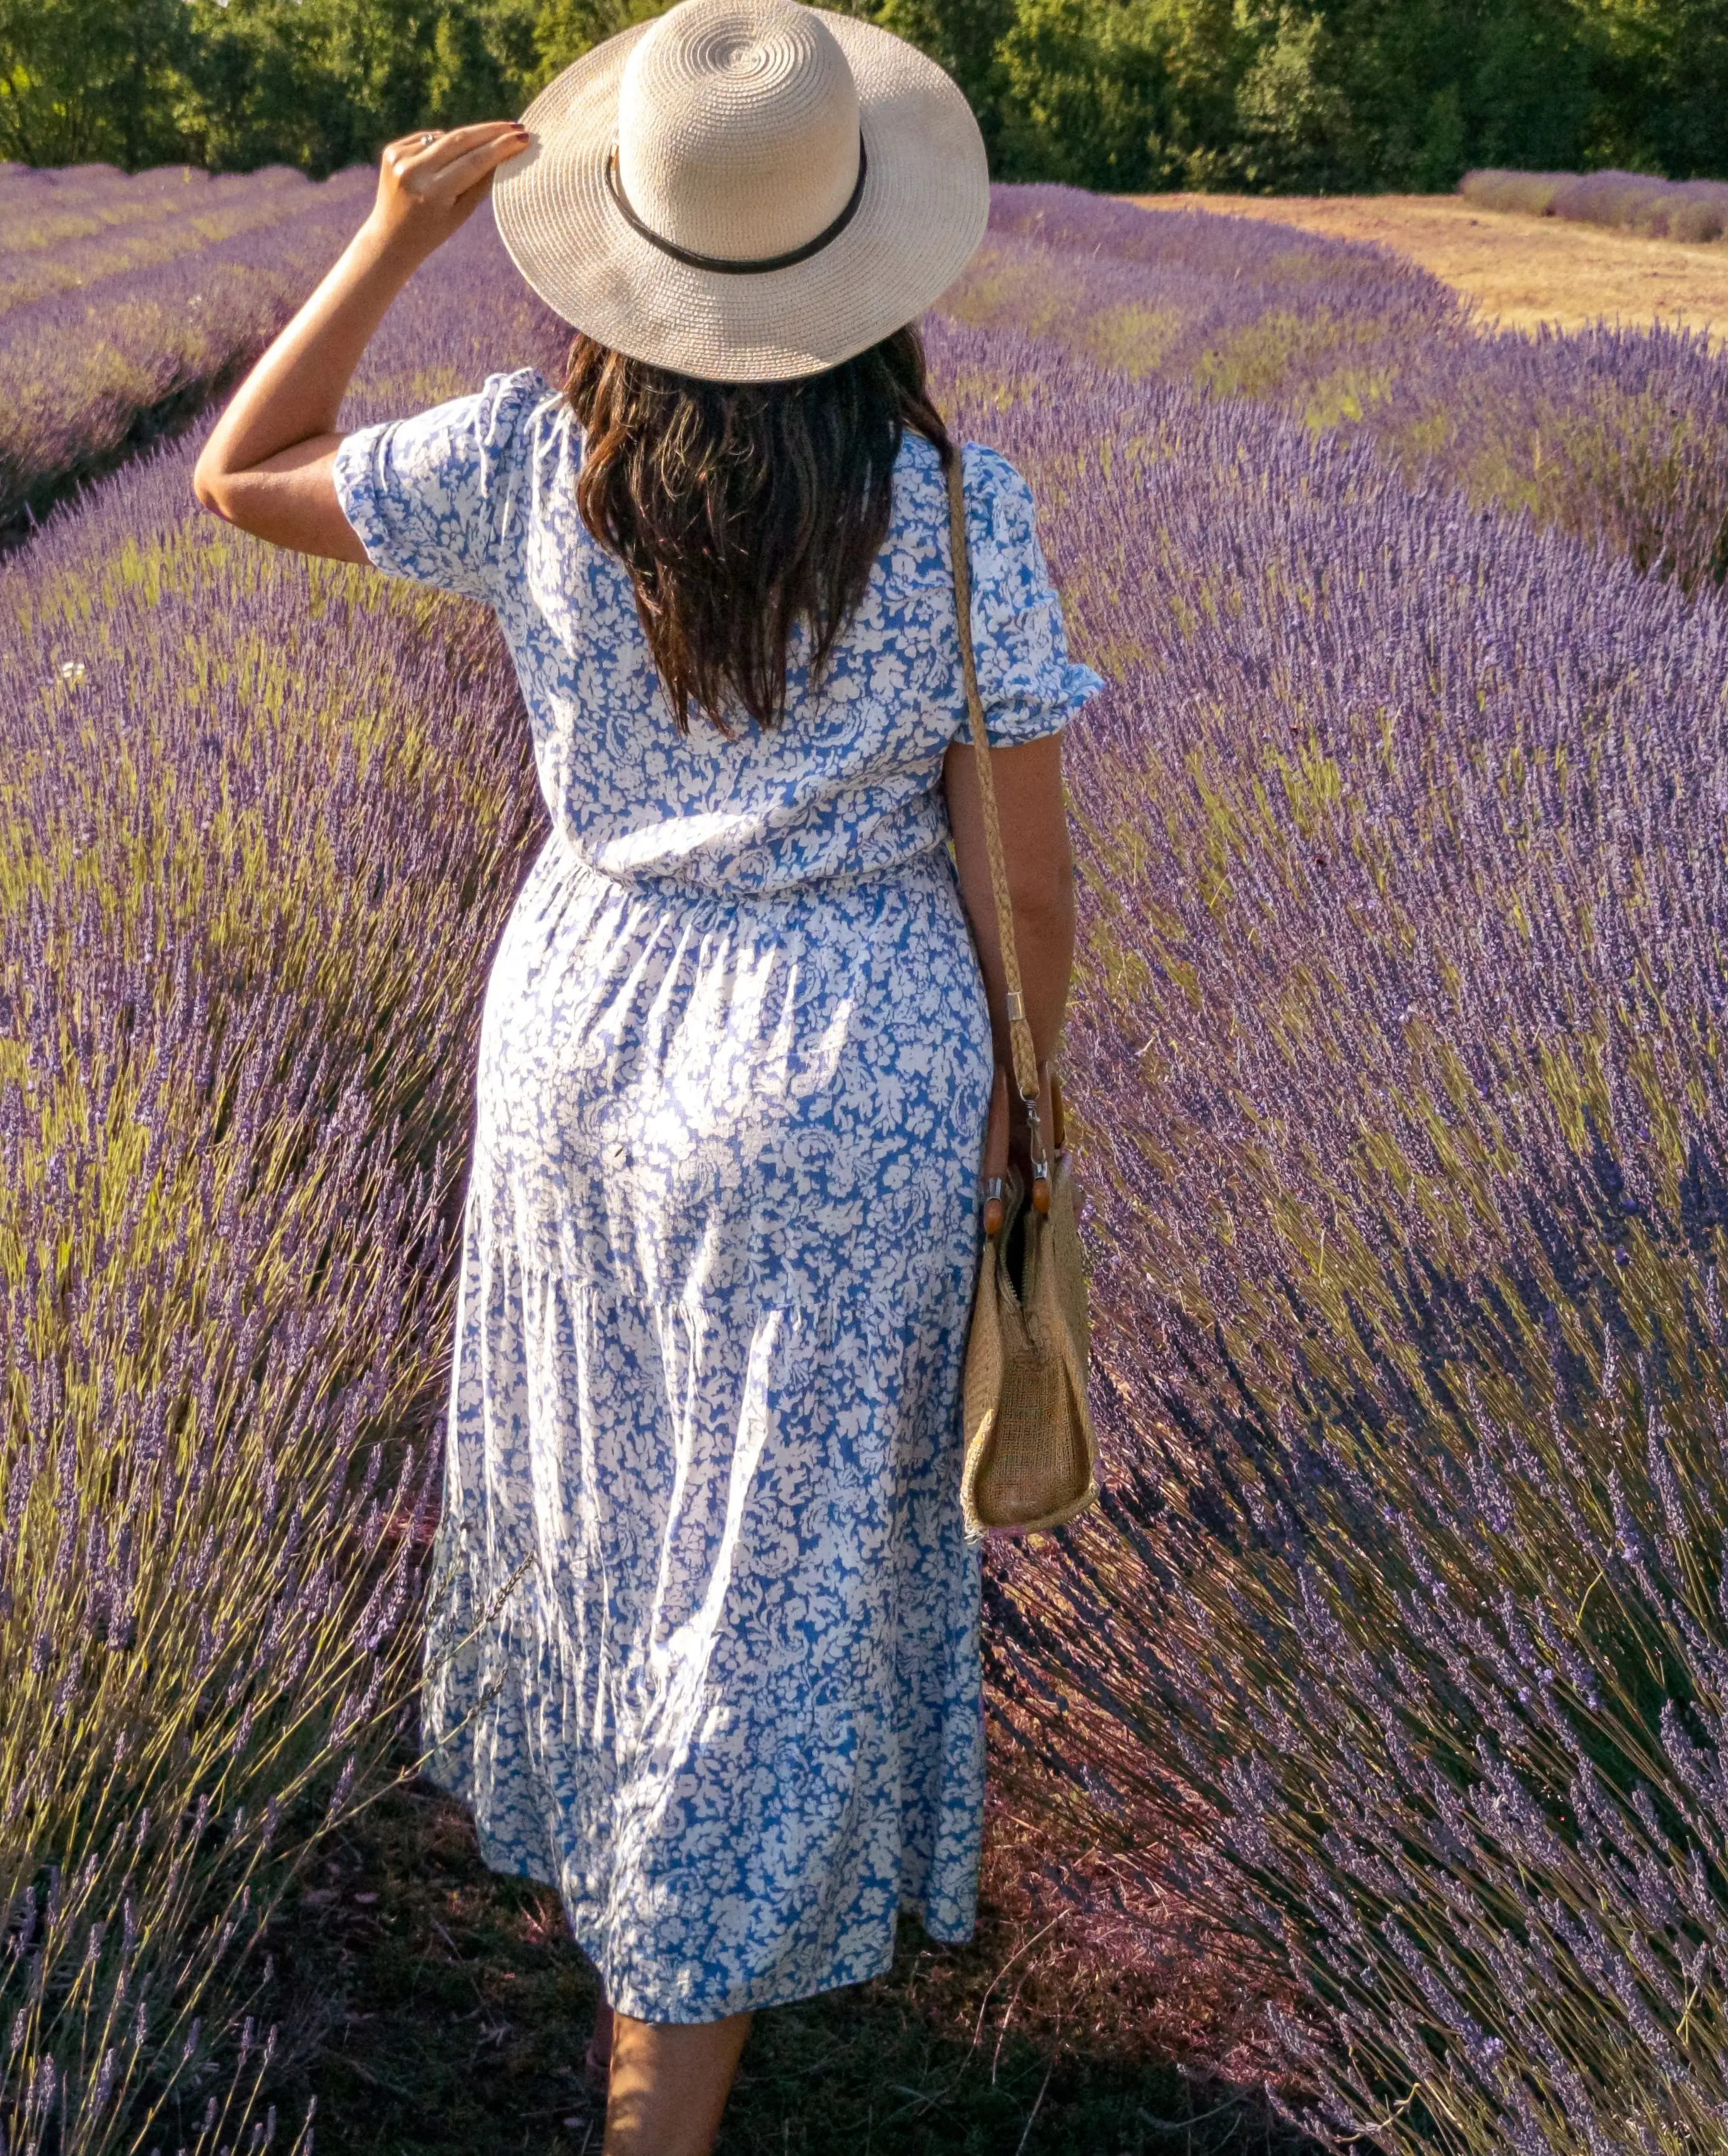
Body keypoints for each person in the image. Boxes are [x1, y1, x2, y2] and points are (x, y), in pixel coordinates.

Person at [191, 5, 1098, 2147]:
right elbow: (1024, 881)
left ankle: (636, 1937)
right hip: (839, 1061)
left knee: (608, 1508)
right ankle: (668, 2072)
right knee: (765, 1561)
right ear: (868, 259)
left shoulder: (525, 459)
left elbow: (235, 473)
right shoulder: (953, 511)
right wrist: (1025, 1109)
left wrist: (389, 239)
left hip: (585, 1027)